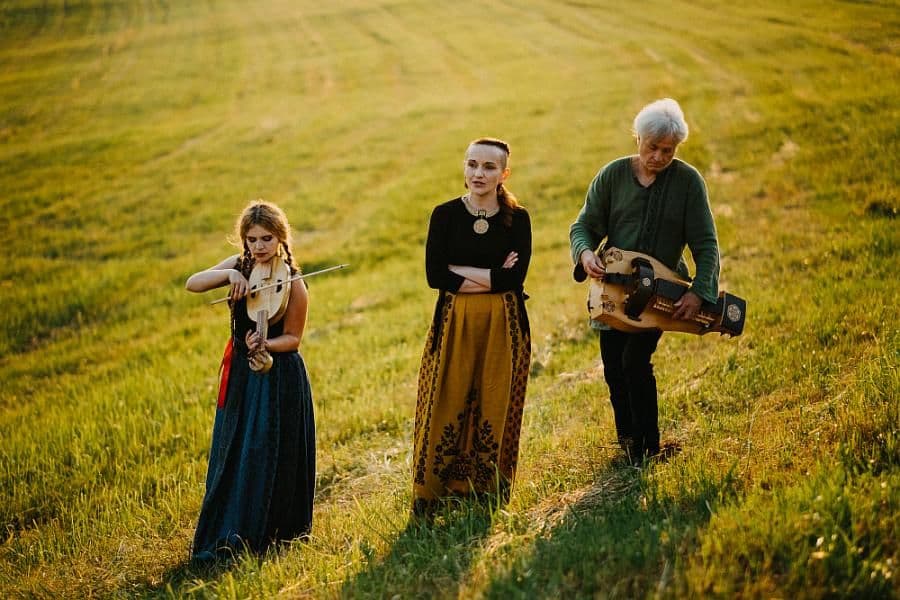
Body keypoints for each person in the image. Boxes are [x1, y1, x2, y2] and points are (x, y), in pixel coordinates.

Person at [569, 98, 720, 464]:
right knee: (613, 369)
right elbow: (584, 227)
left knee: (635, 363)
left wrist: (700, 292)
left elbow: (706, 243)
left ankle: (649, 450)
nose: (659, 157)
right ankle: (628, 446)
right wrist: (585, 254)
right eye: (653, 147)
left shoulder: (688, 182)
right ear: (637, 138)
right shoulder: (612, 175)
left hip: (661, 296)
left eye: (668, 150)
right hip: (611, 293)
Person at [185, 200, 316, 562]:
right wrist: (230, 276)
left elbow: (293, 338)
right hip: (243, 376)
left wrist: (265, 344)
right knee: (236, 450)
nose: (259, 246)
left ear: (281, 238)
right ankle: (229, 530)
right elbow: (192, 283)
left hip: (279, 375)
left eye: (267, 238)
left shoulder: (293, 282)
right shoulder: (239, 266)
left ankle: (271, 533)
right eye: (252, 238)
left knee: (267, 450)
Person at [413, 137, 532, 516]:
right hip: (454, 321)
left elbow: (514, 281)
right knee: (446, 399)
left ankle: (488, 491)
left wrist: (462, 271)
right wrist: (494, 274)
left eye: (489, 167)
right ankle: (432, 493)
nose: (478, 173)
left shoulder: (519, 219)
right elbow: (435, 277)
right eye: (472, 164)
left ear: (504, 174)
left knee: (495, 400)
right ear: (464, 168)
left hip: (504, 324)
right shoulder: (444, 215)